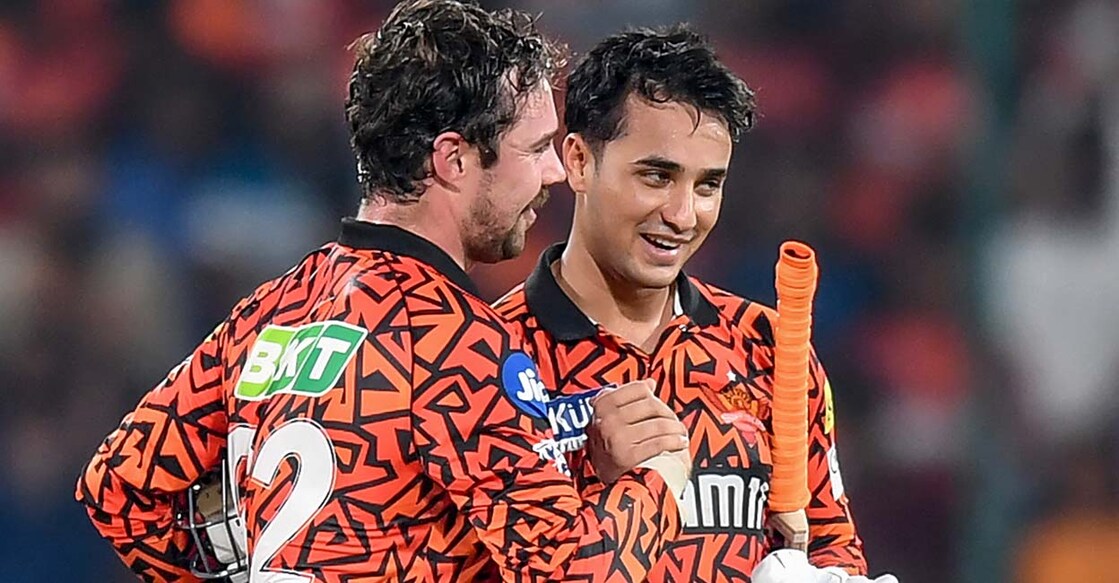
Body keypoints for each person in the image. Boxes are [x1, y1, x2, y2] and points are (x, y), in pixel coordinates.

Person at [75, 2, 692, 581]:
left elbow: (119, 493)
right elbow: (569, 569)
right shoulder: (450, 339)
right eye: (534, 149)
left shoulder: (271, 310)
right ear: (453, 159)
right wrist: (658, 480)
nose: (556, 171)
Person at [493, 25, 895, 582]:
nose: (683, 215)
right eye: (657, 176)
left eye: (708, 185)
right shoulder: (493, 357)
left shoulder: (769, 349)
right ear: (580, 161)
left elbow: (832, 546)